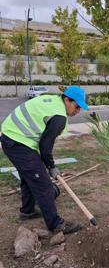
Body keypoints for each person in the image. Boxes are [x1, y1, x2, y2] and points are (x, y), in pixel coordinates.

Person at [1, 85, 89, 234]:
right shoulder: (59, 116)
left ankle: (28, 211)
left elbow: (43, 144)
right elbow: (45, 146)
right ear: (67, 100)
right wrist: (51, 167)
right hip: (17, 142)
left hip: (13, 138)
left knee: (29, 176)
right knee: (43, 184)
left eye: (80, 108)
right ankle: (56, 225)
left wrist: (47, 165)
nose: (77, 111)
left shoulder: (54, 101)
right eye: (76, 106)